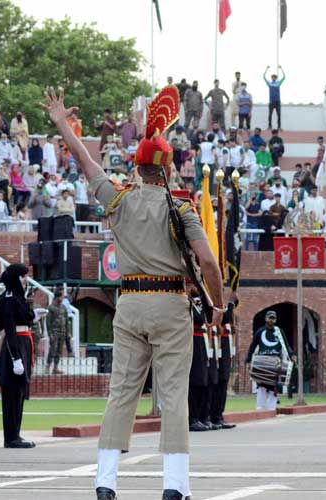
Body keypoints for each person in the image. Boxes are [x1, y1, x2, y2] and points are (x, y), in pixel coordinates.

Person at [42, 85, 224, 500]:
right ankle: (174, 486)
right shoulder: (181, 208)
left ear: (138, 168)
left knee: (121, 391)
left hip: (129, 302)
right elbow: (209, 263)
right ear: (167, 169)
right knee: (174, 393)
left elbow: (87, 163)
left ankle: (105, 480)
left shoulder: (119, 200)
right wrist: (218, 305)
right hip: (170, 303)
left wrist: (62, 125)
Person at [0, 264, 36, 449]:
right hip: (15, 345)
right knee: (11, 395)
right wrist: (15, 358)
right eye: (23, 276)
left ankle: (15, 434)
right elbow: (9, 330)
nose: (26, 280)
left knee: (19, 392)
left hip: (23, 341)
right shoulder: (10, 299)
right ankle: (11, 437)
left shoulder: (16, 297)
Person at [246, 310, 295, 411]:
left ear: (275, 320)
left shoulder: (279, 332)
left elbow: (286, 345)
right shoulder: (260, 331)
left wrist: (292, 354)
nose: (271, 320)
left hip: (276, 364)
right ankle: (259, 409)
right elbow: (252, 347)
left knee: (274, 388)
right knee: (262, 387)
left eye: (273, 318)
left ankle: (272, 409)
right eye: (269, 318)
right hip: (262, 363)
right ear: (265, 319)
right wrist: (248, 360)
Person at [209, 296, 237, 430]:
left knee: (224, 382)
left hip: (225, 348)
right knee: (216, 382)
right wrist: (230, 303)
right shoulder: (216, 305)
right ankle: (212, 415)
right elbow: (225, 317)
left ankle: (219, 415)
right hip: (217, 348)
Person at [188, 294, 212, 431]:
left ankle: (197, 417)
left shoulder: (197, 304)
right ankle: (192, 418)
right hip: (191, 342)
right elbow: (199, 318)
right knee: (193, 382)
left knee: (201, 382)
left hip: (200, 344)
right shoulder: (187, 302)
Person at [46, 291, 68, 375]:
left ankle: (55, 368)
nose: (63, 299)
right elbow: (48, 323)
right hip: (54, 332)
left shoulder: (63, 307)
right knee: (53, 349)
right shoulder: (50, 308)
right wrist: (50, 334)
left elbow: (66, 321)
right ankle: (48, 367)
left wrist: (68, 333)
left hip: (62, 332)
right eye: (62, 297)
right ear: (57, 297)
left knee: (59, 350)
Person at [263, 65, 286, 130]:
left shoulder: (278, 83)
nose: (273, 78)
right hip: (271, 101)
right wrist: (266, 69)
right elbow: (264, 77)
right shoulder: (269, 83)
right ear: (271, 78)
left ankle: (279, 127)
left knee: (279, 114)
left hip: (277, 101)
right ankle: (269, 126)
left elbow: (284, 77)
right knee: (270, 114)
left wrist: (281, 69)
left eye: (274, 77)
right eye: (272, 77)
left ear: (276, 78)